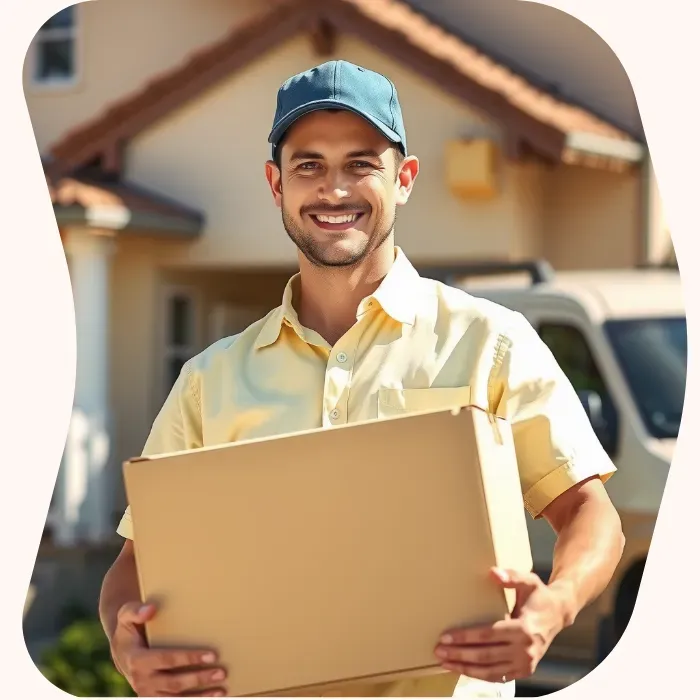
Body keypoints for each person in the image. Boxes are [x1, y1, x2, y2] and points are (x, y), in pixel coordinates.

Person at [99, 60, 625, 698]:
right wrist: (129, 649)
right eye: (309, 165)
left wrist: (555, 606)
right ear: (276, 184)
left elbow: (590, 514)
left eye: (360, 164)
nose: (334, 190)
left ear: (403, 179)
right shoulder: (211, 378)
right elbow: (135, 567)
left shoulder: (491, 342)